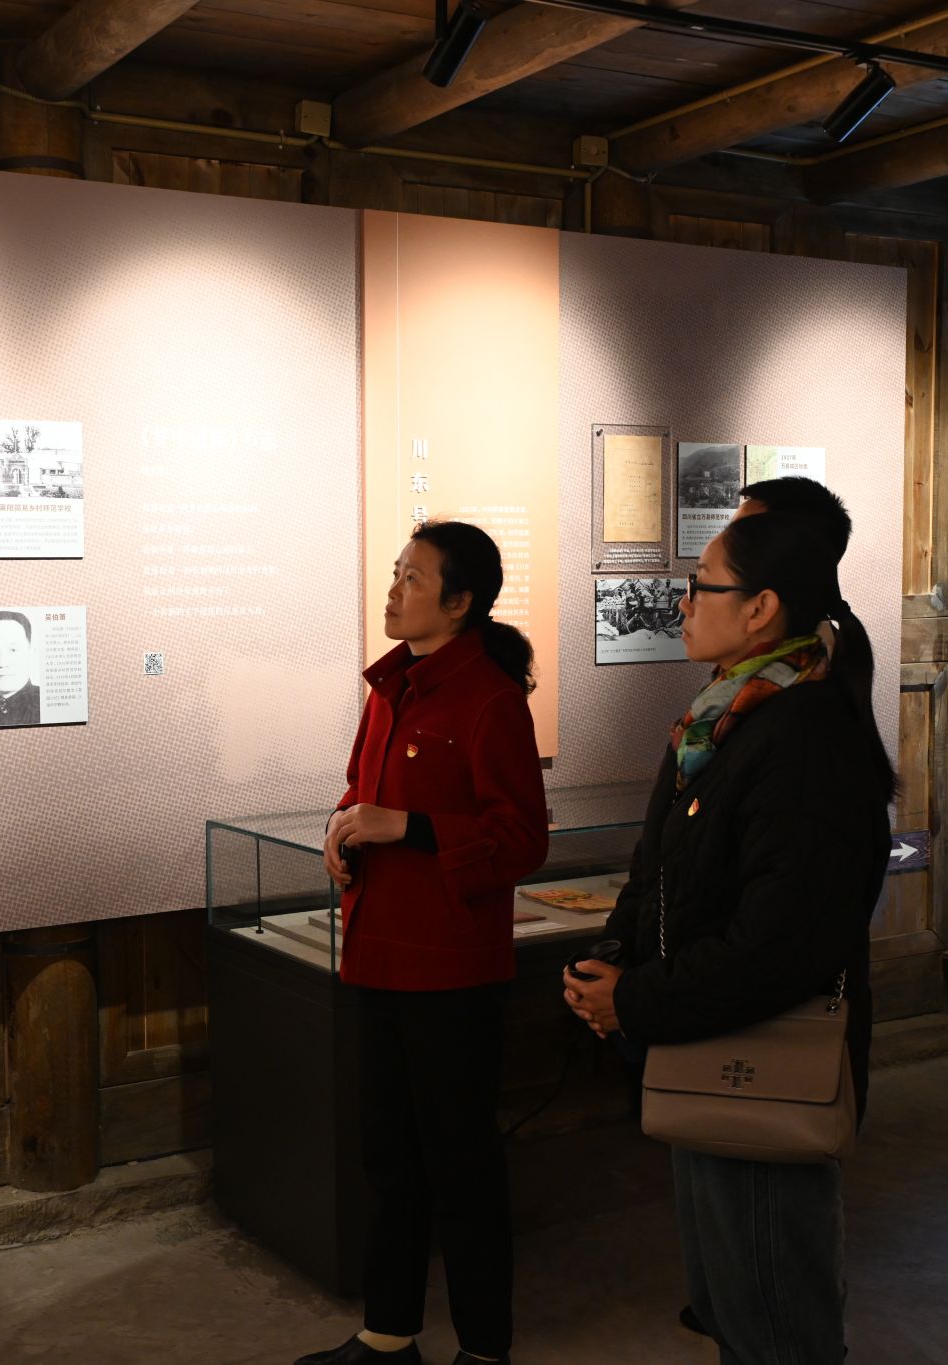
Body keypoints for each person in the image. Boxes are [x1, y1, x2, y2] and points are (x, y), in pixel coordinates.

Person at [562, 508, 893, 1365]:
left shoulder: (803, 734)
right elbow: (662, 867)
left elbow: (780, 943)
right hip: (701, 1039)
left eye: (699, 585)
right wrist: (613, 958)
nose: (682, 604)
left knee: (774, 1317)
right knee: (730, 1302)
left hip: (763, 1061)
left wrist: (638, 999)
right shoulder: (723, 718)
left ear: (760, 608)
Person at [297, 520, 549, 1365]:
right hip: (378, 950)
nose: (394, 588)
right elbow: (361, 787)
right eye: (396, 572)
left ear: (460, 601)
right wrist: (341, 828)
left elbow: (522, 839)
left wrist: (404, 826)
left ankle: (485, 1348)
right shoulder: (390, 686)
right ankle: (388, 1331)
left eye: (414, 577)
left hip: (451, 970)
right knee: (389, 1159)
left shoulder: (489, 696)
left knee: (462, 1167)